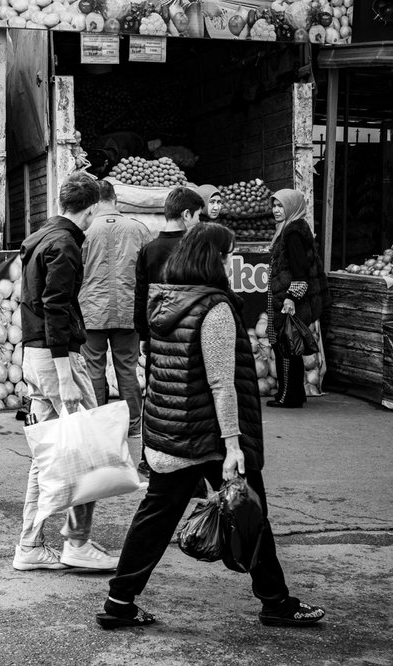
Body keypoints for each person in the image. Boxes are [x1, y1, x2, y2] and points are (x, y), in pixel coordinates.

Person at [96, 223, 326, 630]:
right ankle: (276, 602)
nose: (228, 263)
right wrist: (234, 445)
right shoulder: (214, 308)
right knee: (251, 513)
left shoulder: (164, 301)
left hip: (171, 432)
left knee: (154, 519)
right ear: (213, 259)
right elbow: (222, 385)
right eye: (226, 256)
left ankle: (119, 603)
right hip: (209, 438)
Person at [13, 176, 119, 573]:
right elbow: (55, 306)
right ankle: (77, 541)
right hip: (56, 359)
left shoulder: (40, 236)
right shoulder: (66, 244)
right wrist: (66, 376)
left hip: (35, 356)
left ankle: (30, 545)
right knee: (91, 449)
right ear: (90, 210)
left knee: (47, 456)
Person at [78, 179, 151, 440]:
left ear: (93, 203)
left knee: (93, 369)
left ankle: (98, 425)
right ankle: (133, 424)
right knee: (127, 368)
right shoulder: (138, 229)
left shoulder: (84, 231)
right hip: (128, 310)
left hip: (92, 311)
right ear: (115, 199)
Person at [267, 189, 326, 409]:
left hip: (289, 300)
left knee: (285, 346)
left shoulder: (292, 233)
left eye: (280, 206)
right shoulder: (291, 229)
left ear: (291, 207)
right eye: (274, 206)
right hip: (286, 298)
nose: (275, 210)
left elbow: (300, 272)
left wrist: (290, 299)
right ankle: (295, 393)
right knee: (289, 346)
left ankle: (288, 396)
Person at [134, 187, 205, 348]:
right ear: (186, 214)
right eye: (198, 215)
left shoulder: (147, 250)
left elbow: (141, 296)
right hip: (189, 335)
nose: (199, 221)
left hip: (157, 334)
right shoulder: (195, 248)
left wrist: (143, 335)